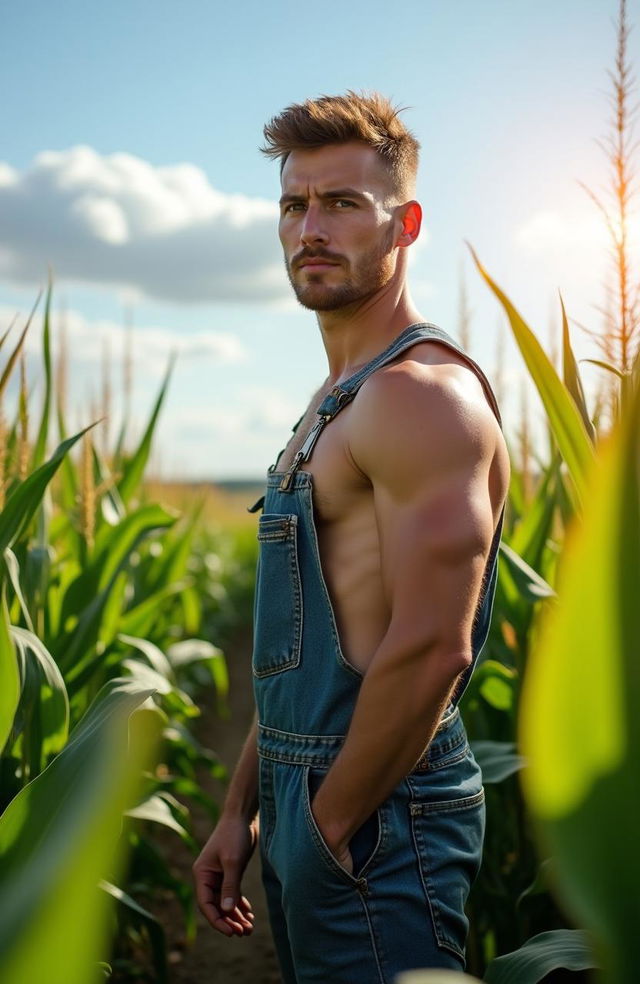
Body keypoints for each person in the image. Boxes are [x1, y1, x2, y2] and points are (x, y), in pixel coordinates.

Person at [193, 91, 511, 983]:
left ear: (403, 224)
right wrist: (244, 811)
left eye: (341, 203)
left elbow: (428, 648)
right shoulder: (334, 402)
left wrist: (328, 828)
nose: (310, 229)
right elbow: (305, 654)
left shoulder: (417, 397)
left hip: (382, 812)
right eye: (294, 205)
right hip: (317, 795)